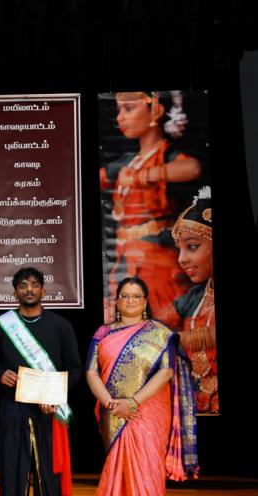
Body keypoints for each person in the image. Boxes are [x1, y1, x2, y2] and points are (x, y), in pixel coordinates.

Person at [81, 276, 198, 496]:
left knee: (146, 473)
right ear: (117, 301)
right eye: (125, 295)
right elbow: (91, 372)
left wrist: (133, 402)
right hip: (113, 413)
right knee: (116, 474)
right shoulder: (103, 332)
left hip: (148, 413)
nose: (130, 300)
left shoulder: (159, 333)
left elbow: (166, 372)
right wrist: (110, 403)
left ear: (145, 301)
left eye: (136, 296)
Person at [0, 267, 82, 496]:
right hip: (12, 409)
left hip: (48, 413)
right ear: (14, 291)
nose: (29, 289)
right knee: (12, 476)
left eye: (34, 285)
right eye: (23, 285)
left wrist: (54, 396)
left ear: (43, 290)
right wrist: (0, 373)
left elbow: (75, 368)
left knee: (48, 478)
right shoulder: (1, 325)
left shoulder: (61, 326)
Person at [100, 91, 203, 323]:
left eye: (128, 108)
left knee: (162, 326)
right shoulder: (129, 162)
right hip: (125, 260)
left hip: (157, 261)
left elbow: (193, 168)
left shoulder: (165, 155)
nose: (119, 118)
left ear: (155, 110)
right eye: (118, 110)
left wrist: (142, 177)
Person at [172, 187, 217, 413]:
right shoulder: (195, 296)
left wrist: (175, 340)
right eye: (179, 249)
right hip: (194, 398)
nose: (181, 259)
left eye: (192, 246)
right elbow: (158, 320)